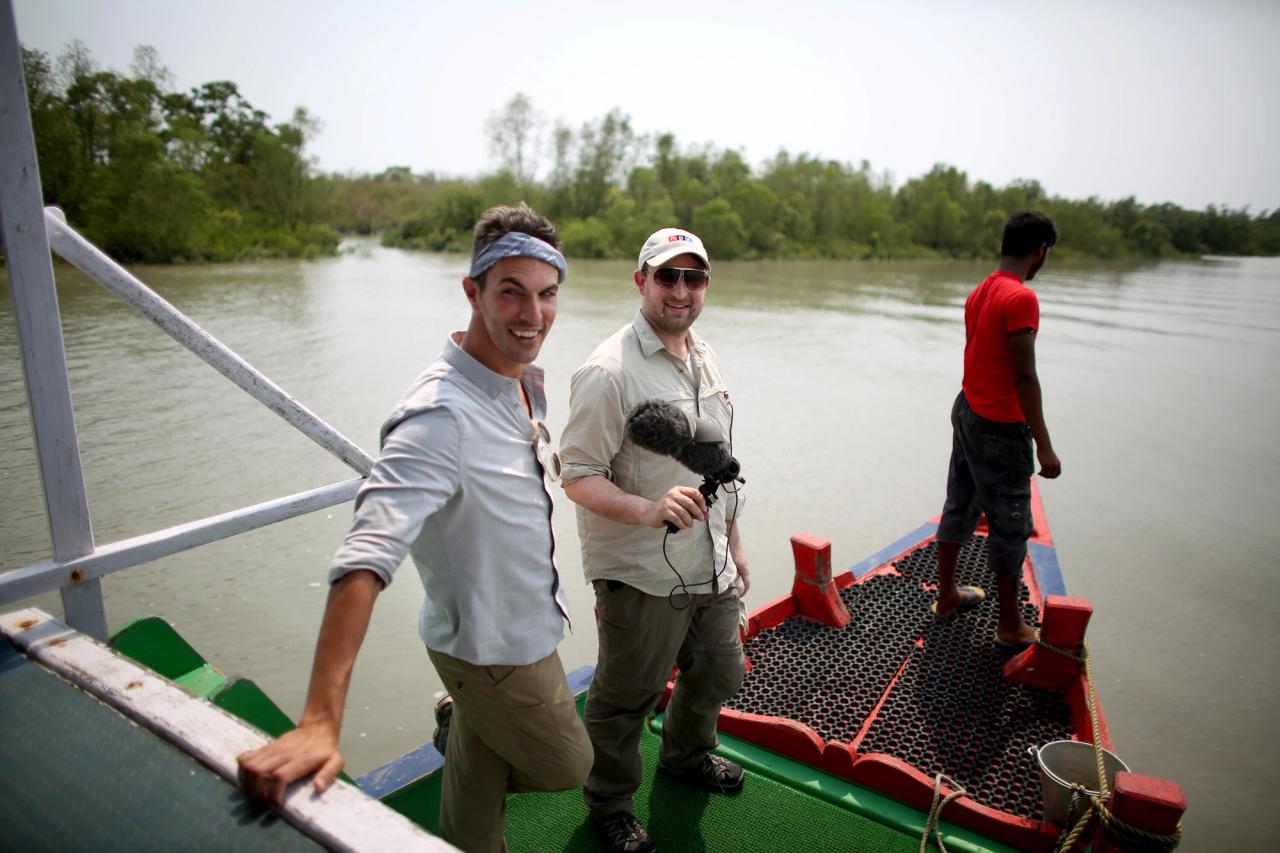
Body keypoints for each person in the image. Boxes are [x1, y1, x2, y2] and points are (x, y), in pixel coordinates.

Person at [236, 203, 592, 853]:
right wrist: (320, 719)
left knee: (480, 775)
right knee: (568, 765)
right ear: (473, 291)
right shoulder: (438, 417)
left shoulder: (520, 383)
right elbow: (367, 554)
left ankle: (467, 788)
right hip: (492, 650)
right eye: (511, 292)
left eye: (546, 295)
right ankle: (461, 721)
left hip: (518, 622)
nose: (532, 314)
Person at [559, 228, 749, 853]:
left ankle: (687, 755)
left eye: (693, 278)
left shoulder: (705, 357)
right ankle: (610, 802)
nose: (681, 290)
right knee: (624, 699)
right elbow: (577, 474)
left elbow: (721, 460)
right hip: (641, 571)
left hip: (709, 561)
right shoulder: (607, 371)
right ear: (640, 281)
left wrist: (736, 542)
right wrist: (647, 509)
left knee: (719, 671)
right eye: (667, 276)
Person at [932, 210, 1061, 648]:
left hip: (967, 409)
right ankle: (1010, 626)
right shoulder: (1020, 298)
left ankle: (947, 595)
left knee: (960, 503)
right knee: (1010, 524)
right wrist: (1044, 446)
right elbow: (1024, 376)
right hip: (1000, 428)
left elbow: (980, 355)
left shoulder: (980, 291)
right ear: (1039, 251)